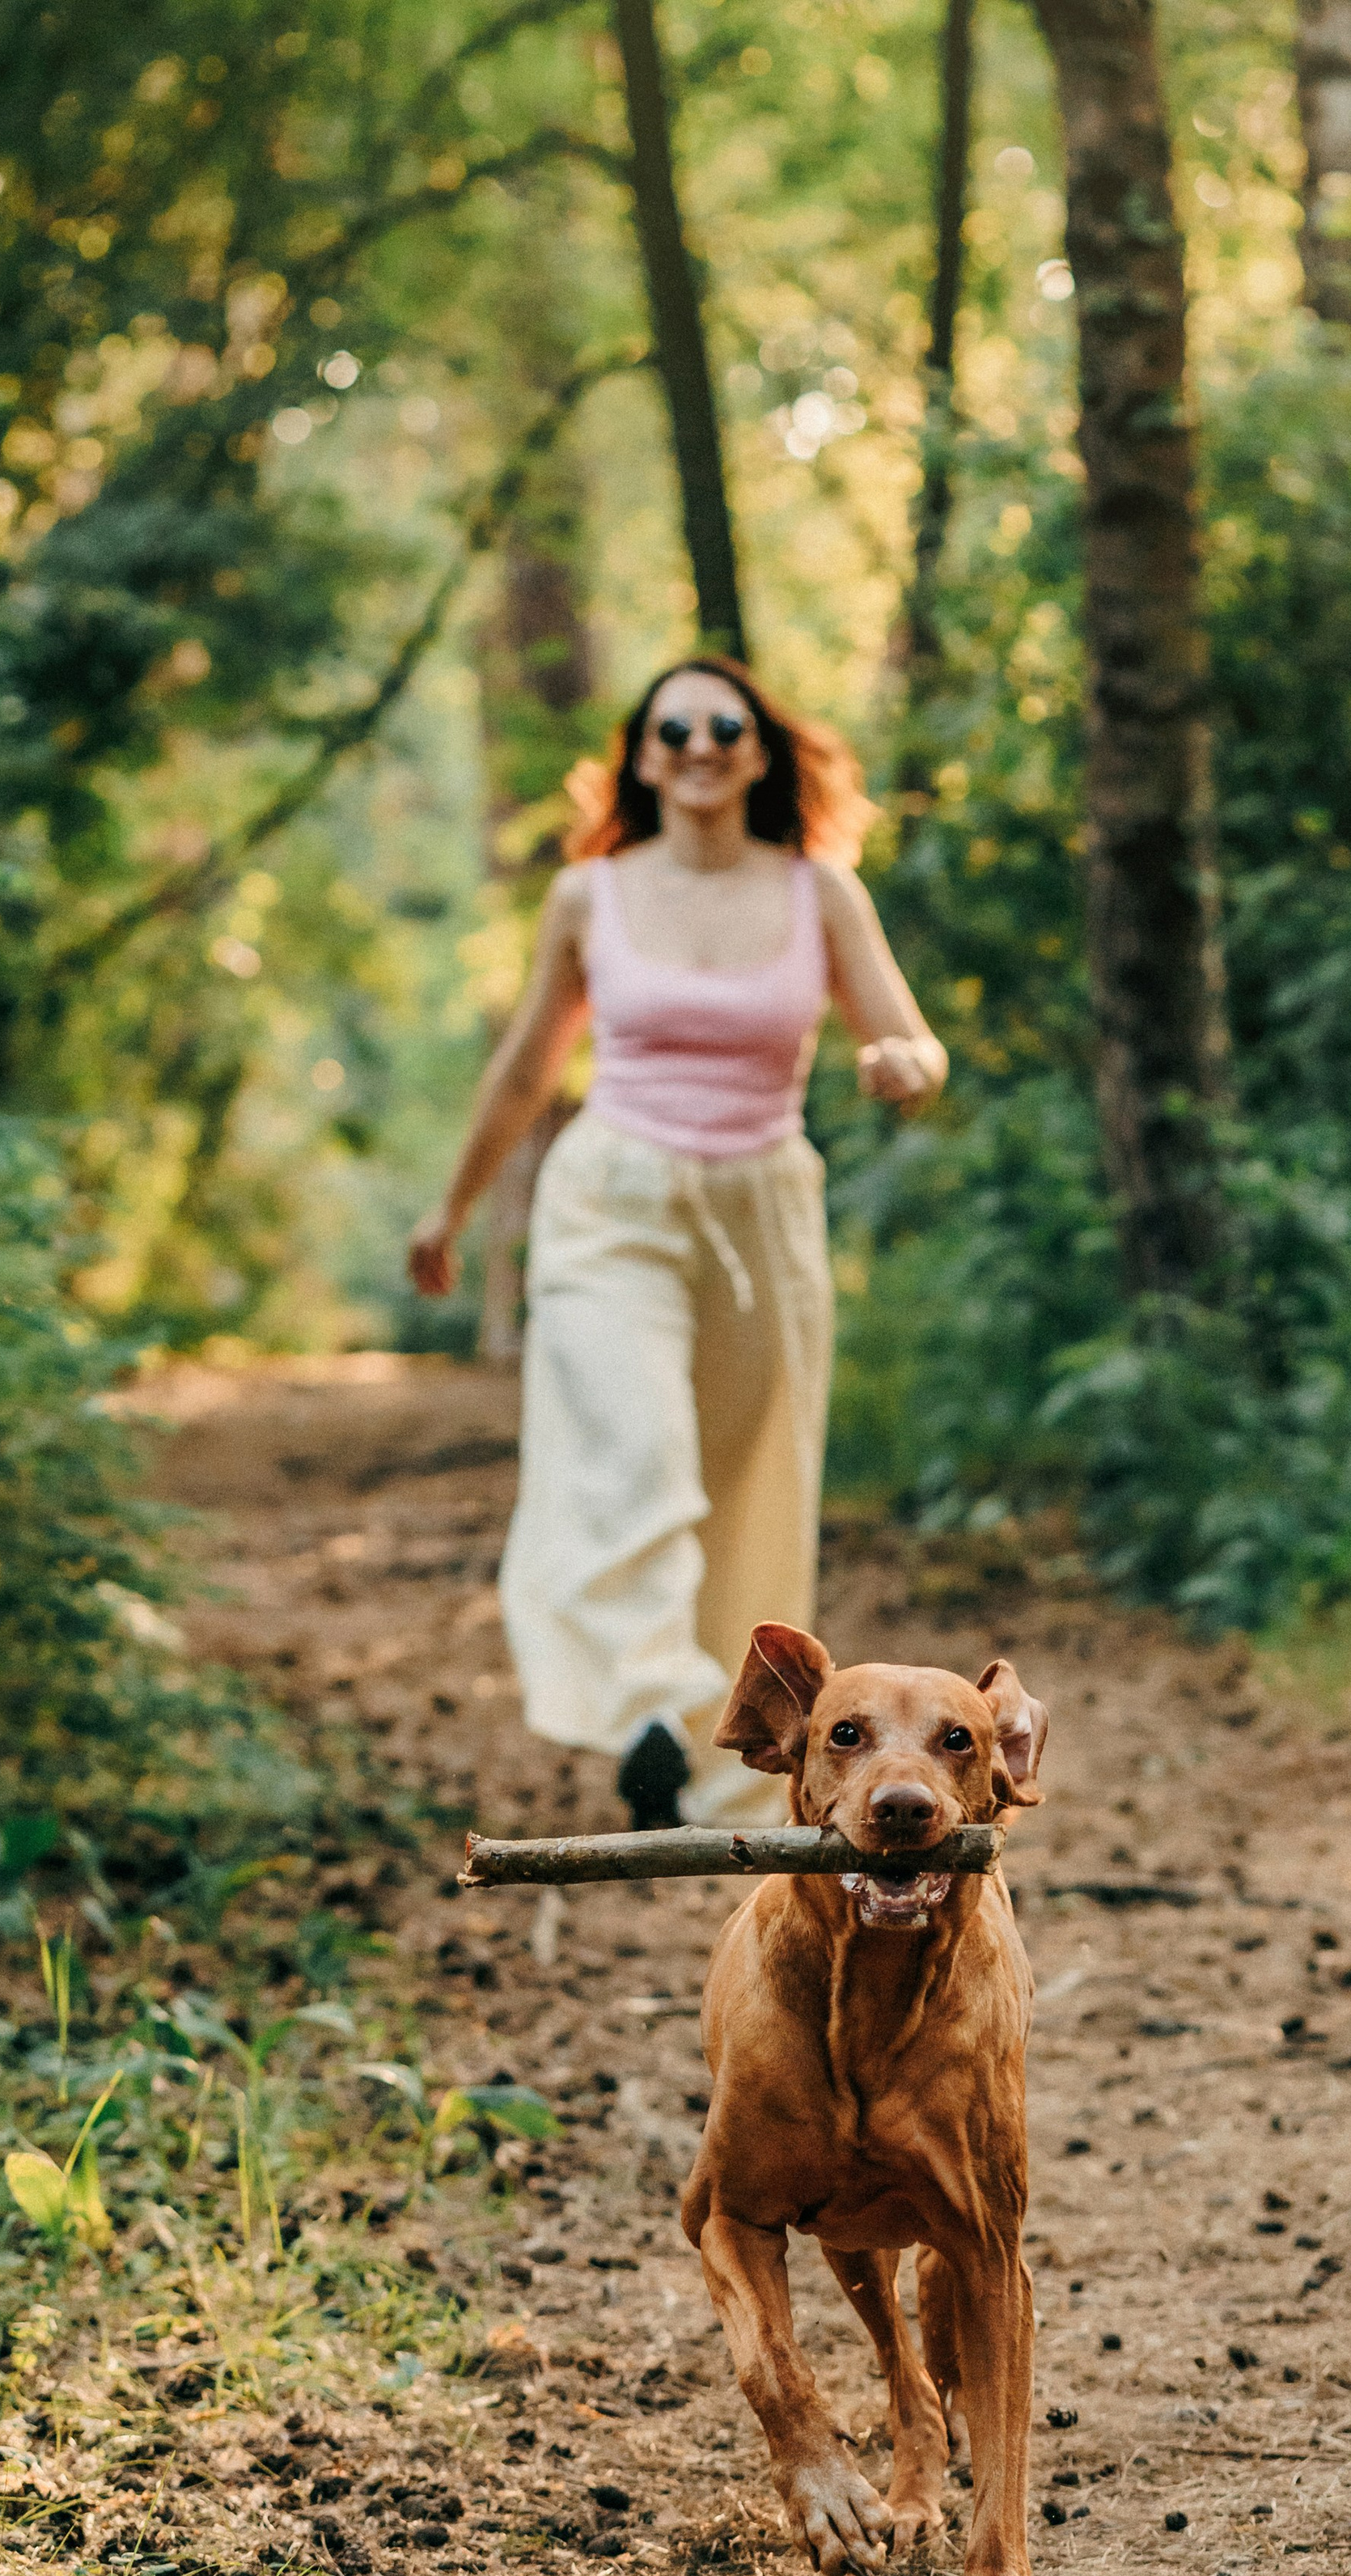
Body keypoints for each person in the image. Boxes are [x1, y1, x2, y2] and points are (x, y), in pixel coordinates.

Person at [407, 655, 947, 1828]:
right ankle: (652, 1705)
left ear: (761, 754)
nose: (700, 745)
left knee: (749, 1483)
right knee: (639, 1452)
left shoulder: (819, 891)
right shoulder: (589, 896)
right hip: (615, 1202)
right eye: (675, 730)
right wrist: (451, 1209)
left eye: (725, 728)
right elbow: (526, 1068)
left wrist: (903, 1065)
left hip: (763, 1211)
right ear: (643, 760)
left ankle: (730, 1767)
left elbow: (910, 1036)